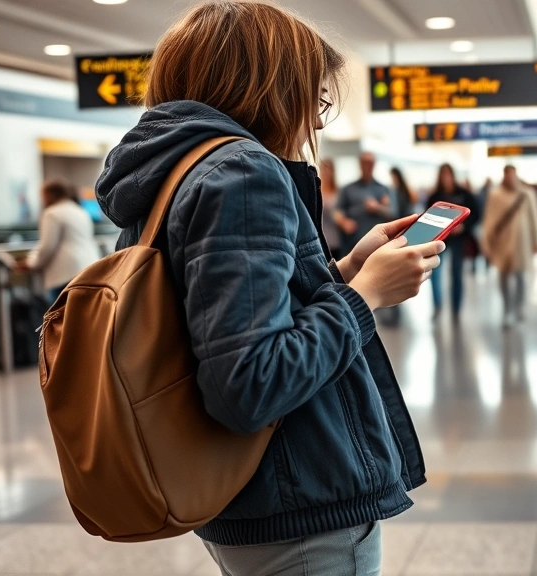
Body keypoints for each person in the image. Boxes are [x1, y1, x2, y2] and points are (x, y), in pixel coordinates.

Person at [94, 2, 443, 573]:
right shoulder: (242, 172)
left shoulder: (173, 170)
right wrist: (365, 298)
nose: (316, 121)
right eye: (314, 95)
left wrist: (343, 271)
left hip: (244, 492)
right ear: (270, 88)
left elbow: (225, 316)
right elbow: (250, 384)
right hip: (298, 498)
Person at [18, 180, 100, 302]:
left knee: (62, 318)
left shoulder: (52, 213)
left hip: (65, 274)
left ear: (49, 195)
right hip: (89, 268)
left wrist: (31, 263)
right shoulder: (80, 211)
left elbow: (47, 247)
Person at [482, 165, 537, 327]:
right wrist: (486, 243)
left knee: (521, 276)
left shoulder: (526, 194)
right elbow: (489, 219)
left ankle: (519, 307)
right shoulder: (496, 196)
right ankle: (507, 309)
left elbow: (534, 218)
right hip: (502, 243)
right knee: (503, 276)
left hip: (522, 242)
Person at [428, 163, 480, 321]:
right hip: (440, 240)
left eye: (448, 174)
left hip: (458, 240)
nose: (446, 178)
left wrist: (463, 227)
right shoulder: (435, 196)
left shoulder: (464, 194)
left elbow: (476, 214)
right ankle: (437, 305)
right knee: (435, 273)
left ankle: (456, 308)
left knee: (457, 274)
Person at [335, 152, 395, 251]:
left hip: (377, 243)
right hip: (352, 241)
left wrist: (377, 208)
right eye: (365, 163)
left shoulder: (383, 189)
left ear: (374, 164)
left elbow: (392, 213)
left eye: (370, 163)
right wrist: (344, 222)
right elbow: (337, 211)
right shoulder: (348, 189)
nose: (367, 166)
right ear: (360, 164)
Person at [319, 158, 342, 259]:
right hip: (321, 238)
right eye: (324, 169)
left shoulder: (339, 191)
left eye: (329, 169)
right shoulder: (316, 189)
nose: (326, 172)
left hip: (336, 238)